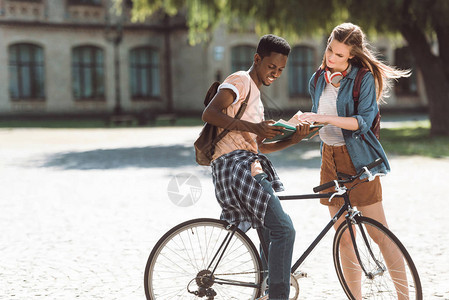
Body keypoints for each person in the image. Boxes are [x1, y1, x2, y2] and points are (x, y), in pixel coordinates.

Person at [298, 23, 411, 299]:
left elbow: (362, 122)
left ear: (352, 55)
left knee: (380, 235)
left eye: (339, 54)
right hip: (329, 160)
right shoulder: (317, 79)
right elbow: (318, 119)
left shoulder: (363, 79)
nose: (331, 58)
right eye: (329, 50)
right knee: (345, 239)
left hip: (359, 159)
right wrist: (299, 125)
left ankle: (406, 297)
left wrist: (324, 119)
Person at [202, 34, 313, 300]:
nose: (275, 73)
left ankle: (266, 290)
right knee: (284, 230)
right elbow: (210, 112)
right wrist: (255, 127)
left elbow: (259, 147)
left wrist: (293, 138)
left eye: (280, 70)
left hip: (247, 163)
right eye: (271, 67)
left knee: (271, 232)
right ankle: (277, 295)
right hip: (235, 166)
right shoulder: (240, 80)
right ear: (257, 59)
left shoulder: (257, 98)